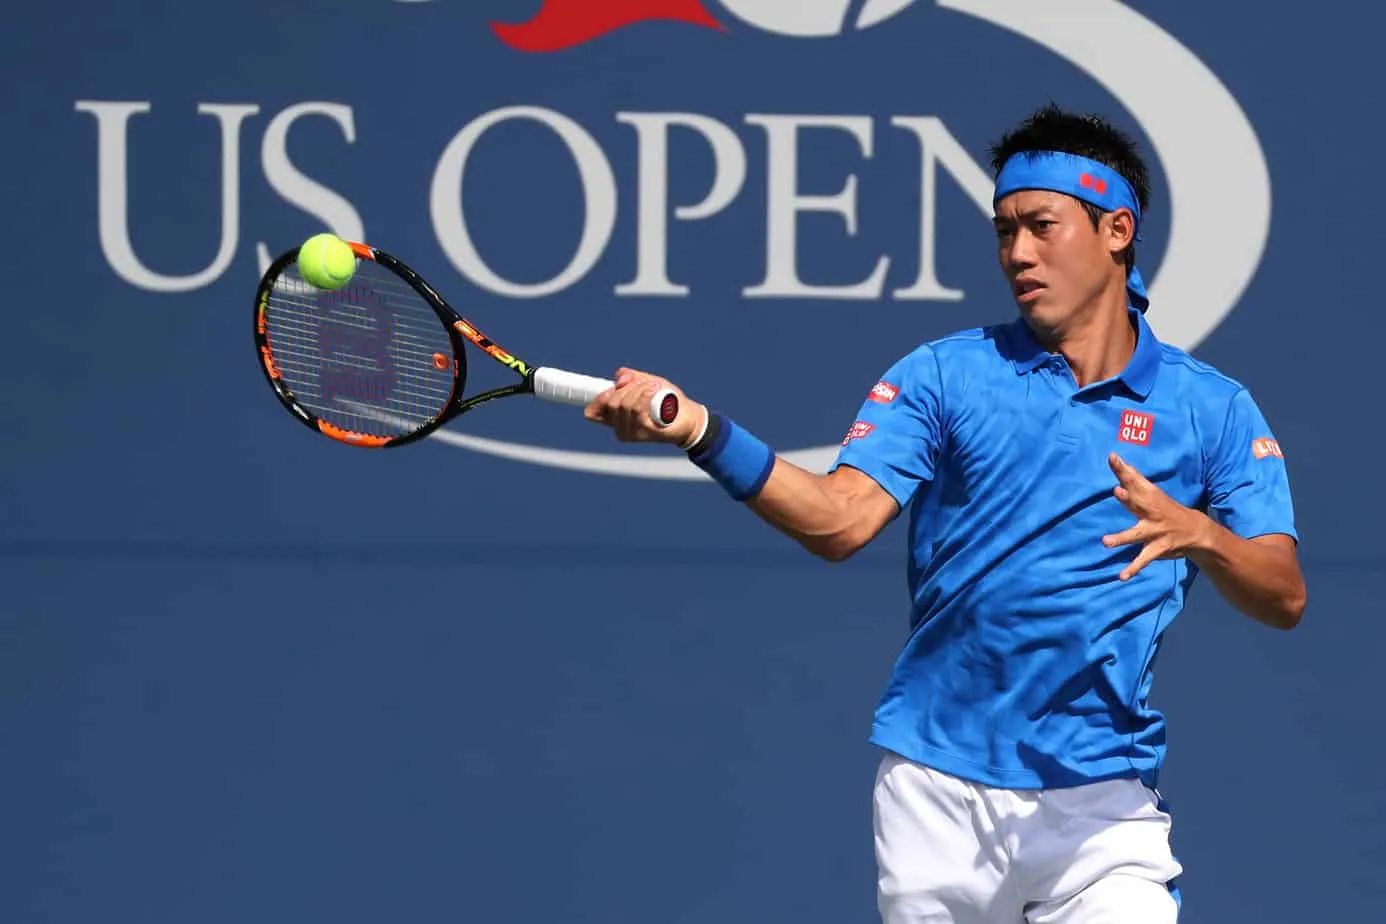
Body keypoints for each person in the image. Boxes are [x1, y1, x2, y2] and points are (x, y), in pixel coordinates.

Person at [583, 104, 1305, 924]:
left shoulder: (1212, 409)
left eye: (1041, 226)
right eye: (1004, 231)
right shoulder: (943, 376)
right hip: (937, 794)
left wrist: (1202, 535)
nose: (1017, 254)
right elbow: (838, 521)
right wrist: (703, 432)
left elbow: (1282, 595)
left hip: (1106, 804)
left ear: (1116, 229)